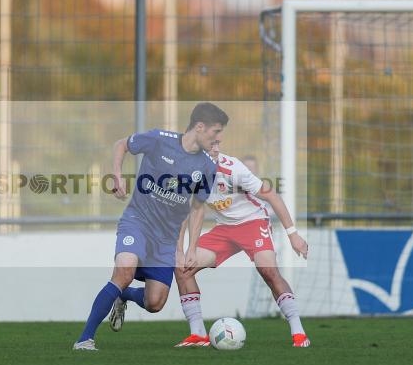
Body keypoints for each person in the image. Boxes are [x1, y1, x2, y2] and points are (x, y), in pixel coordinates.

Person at [73, 102, 229, 351]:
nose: (218, 138)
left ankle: (124, 295)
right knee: (124, 271)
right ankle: (84, 339)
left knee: (154, 303)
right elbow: (121, 144)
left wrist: (191, 248)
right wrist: (117, 175)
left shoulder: (207, 166)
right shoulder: (159, 140)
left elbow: (198, 208)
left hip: (166, 239)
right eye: (216, 131)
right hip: (138, 222)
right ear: (200, 127)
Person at [173, 143, 311, 347]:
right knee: (182, 268)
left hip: (253, 222)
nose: (215, 149)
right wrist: (180, 249)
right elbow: (186, 211)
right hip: (224, 228)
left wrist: (293, 235)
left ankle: (299, 333)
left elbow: (272, 195)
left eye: (217, 144)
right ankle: (198, 335)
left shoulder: (233, 169)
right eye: (210, 145)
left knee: (268, 271)